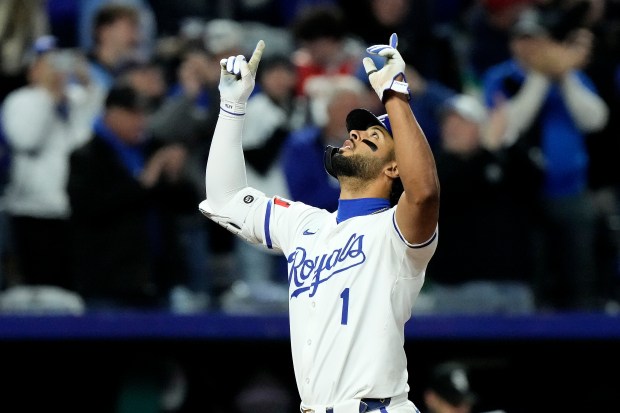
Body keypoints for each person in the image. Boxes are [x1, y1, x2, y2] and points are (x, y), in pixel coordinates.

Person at [200, 31, 439, 413]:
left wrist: (394, 94)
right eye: (355, 130)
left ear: (394, 166)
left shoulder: (397, 231)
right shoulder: (305, 224)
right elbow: (224, 198)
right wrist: (232, 106)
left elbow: (424, 192)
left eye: (371, 134)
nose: (355, 134)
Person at [481, 4, 609, 310]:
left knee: (580, 276)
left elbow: (595, 119)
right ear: (513, 43)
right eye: (522, 39)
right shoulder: (500, 78)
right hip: (522, 196)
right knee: (533, 277)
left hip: (571, 191)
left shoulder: (572, 77)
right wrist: (540, 77)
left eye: (535, 39)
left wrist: (564, 77)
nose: (529, 46)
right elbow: (509, 125)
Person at [67, 82, 199, 310]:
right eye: (133, 114)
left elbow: (186, 204)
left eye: (143, 114)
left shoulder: (150, 150)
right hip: (108, 283)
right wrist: (145, 181)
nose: (140, 121)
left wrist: (175, 177)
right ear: (112, 114)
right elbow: (90, 210)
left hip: (157, 280)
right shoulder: (87, 157)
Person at [1, 35, 102, 291]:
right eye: (47, 64)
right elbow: (26, 140)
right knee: (42, 291)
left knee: (75, 290)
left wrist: (89, 84)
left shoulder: (76, 98)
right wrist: (50, 98)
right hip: (33, 212)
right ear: (32, 70)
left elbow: (95, 133)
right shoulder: (20, 101)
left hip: (74, 211)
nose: (55, 71)